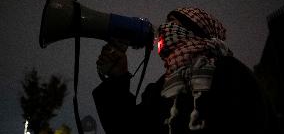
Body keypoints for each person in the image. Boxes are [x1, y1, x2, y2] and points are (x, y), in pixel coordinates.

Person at [93, 7, 276, 134]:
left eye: (172, 23)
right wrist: (118, 79)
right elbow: (129, 129)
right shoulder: (161, 86)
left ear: (195, 31)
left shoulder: (228, 71)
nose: (164, 29)